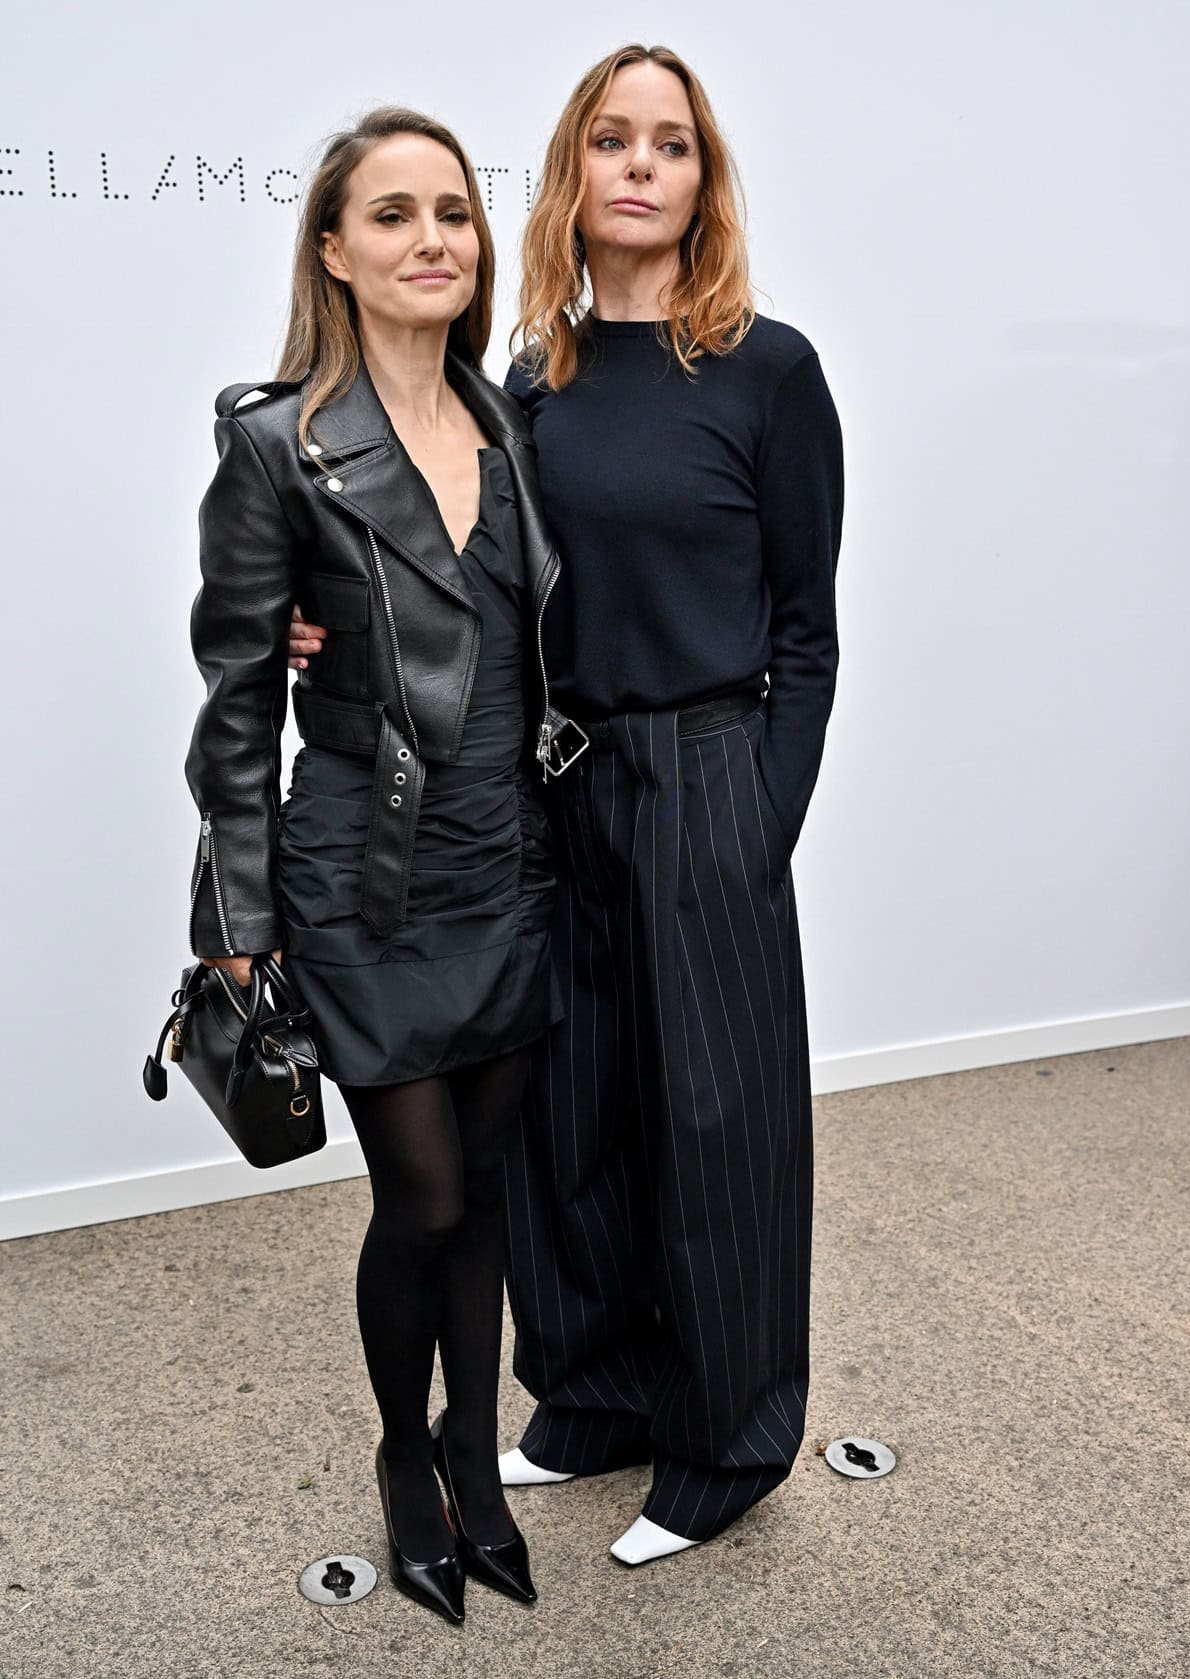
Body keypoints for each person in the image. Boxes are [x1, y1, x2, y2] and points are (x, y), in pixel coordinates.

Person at [290, 43, 843, 1567]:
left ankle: (725, 1445)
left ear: (702, 179)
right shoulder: (530, 381)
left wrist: (758, 811)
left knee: (720, 1125)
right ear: (575, 175)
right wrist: (318, 617)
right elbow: (460, 572)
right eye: (613, 139)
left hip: (707, 779)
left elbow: (809, 624)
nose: (643, 164)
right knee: (569, 1121)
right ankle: (593, 1398)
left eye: (672, 142)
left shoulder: (770, 371)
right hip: (557, 785)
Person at [187, 106, 585, 1623]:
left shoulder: (509, 424)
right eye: (396, 216)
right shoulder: (280, 449)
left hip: (508, 865)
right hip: (365, 875)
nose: (434, 241)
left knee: (482, 1190)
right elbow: (233, 701)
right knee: (417, 1198)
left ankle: (475, 1462)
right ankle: (405, 1464)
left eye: (454, 215)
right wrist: (234, 909)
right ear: (336, 252)